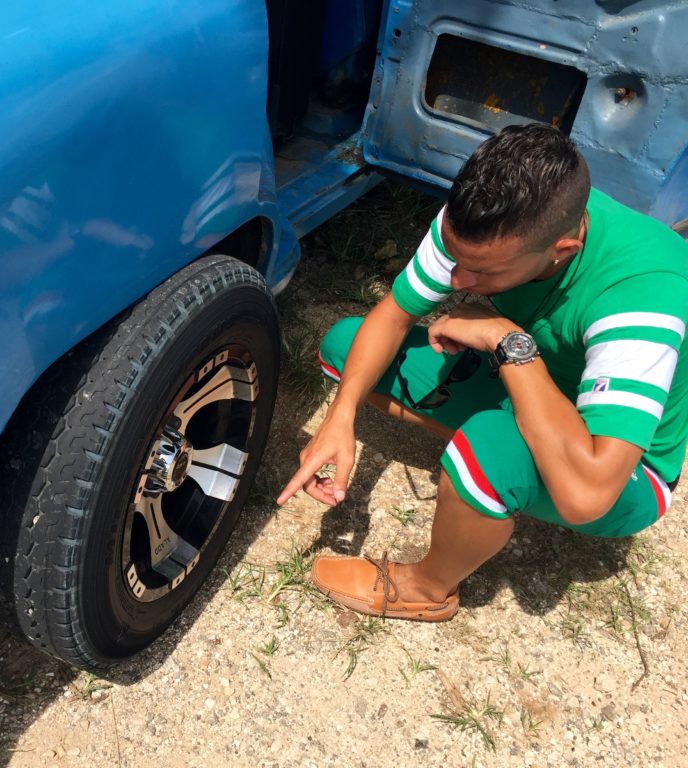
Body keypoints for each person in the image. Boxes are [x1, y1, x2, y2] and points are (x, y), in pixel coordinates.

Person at [276, 123, 688, 621]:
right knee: (345, 349)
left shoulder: (642, 295)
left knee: (490, 446)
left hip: (624, 472)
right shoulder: (485, 222)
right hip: (527, 382)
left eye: (484, 274)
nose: (458, 281)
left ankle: (426, 588)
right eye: (456, 259)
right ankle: (484, 463)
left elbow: (588, 494)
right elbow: (393, 315)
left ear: (562, 250)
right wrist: (340, 418)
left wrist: (503, 337)